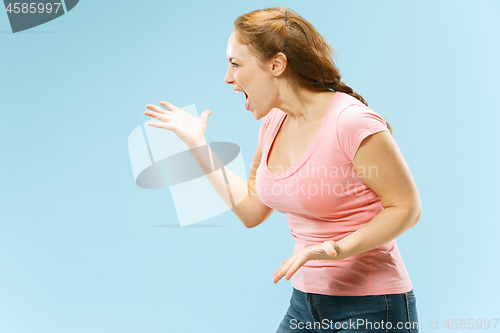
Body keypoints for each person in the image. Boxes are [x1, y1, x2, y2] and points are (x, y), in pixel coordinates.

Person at [144, 6, 422, 333]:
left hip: (373, 307)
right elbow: (251, 211)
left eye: (235, 64)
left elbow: (407, 207)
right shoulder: (273, 122)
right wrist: (197, 146)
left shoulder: (351, 122)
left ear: (276, 64)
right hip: (305, 304)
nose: (227, 77)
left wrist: (336, 249)